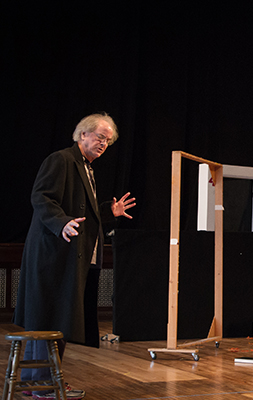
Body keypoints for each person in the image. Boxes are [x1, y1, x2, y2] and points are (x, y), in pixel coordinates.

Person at [14, 113, 136, 399]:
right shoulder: (62, 160)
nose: (103, 144)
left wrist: (108, 211)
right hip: (53, 255)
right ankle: (42, 383)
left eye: (108, 140)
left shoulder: (87, 167)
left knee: (60, 320)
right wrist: (61, 222)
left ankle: (44, 381)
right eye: (99, 137)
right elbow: (41, 197)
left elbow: (85, 213)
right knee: (48, 318)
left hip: (72, 257)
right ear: (83, 134)